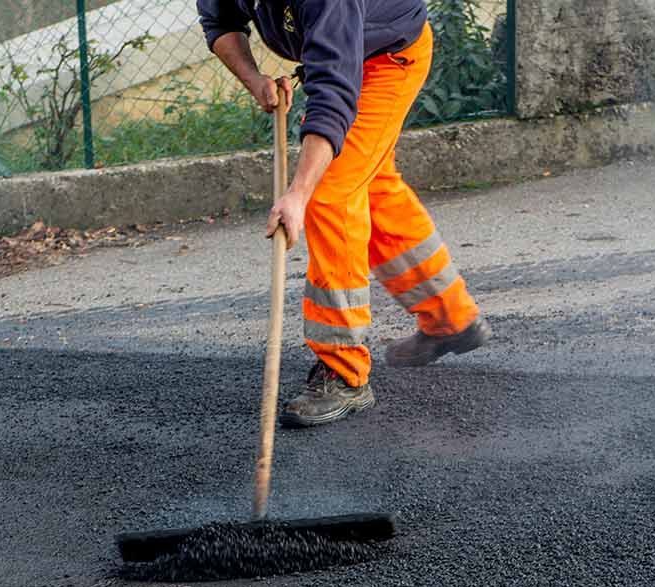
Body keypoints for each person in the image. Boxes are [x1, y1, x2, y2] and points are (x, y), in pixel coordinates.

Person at [198, 0, 490, 427]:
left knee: (328, 193)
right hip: (351, 51)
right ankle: (451, 317)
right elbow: (219, 20)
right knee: (372, 188)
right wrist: (254, 79)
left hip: (388, 59)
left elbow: (333, 94)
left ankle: (344, 372)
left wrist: (298, 194)